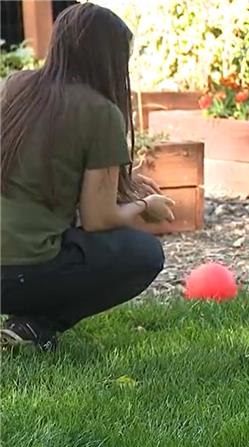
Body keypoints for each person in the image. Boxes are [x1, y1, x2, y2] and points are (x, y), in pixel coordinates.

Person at [0, 3, 175, 351]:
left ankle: (26, 325)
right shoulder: (100, 111)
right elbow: (98, 219)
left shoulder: (16, 86)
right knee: (143, 254)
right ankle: (36, 325)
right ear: (107, 58)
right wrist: (144, 206)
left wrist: (128, 186)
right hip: (20, 272)